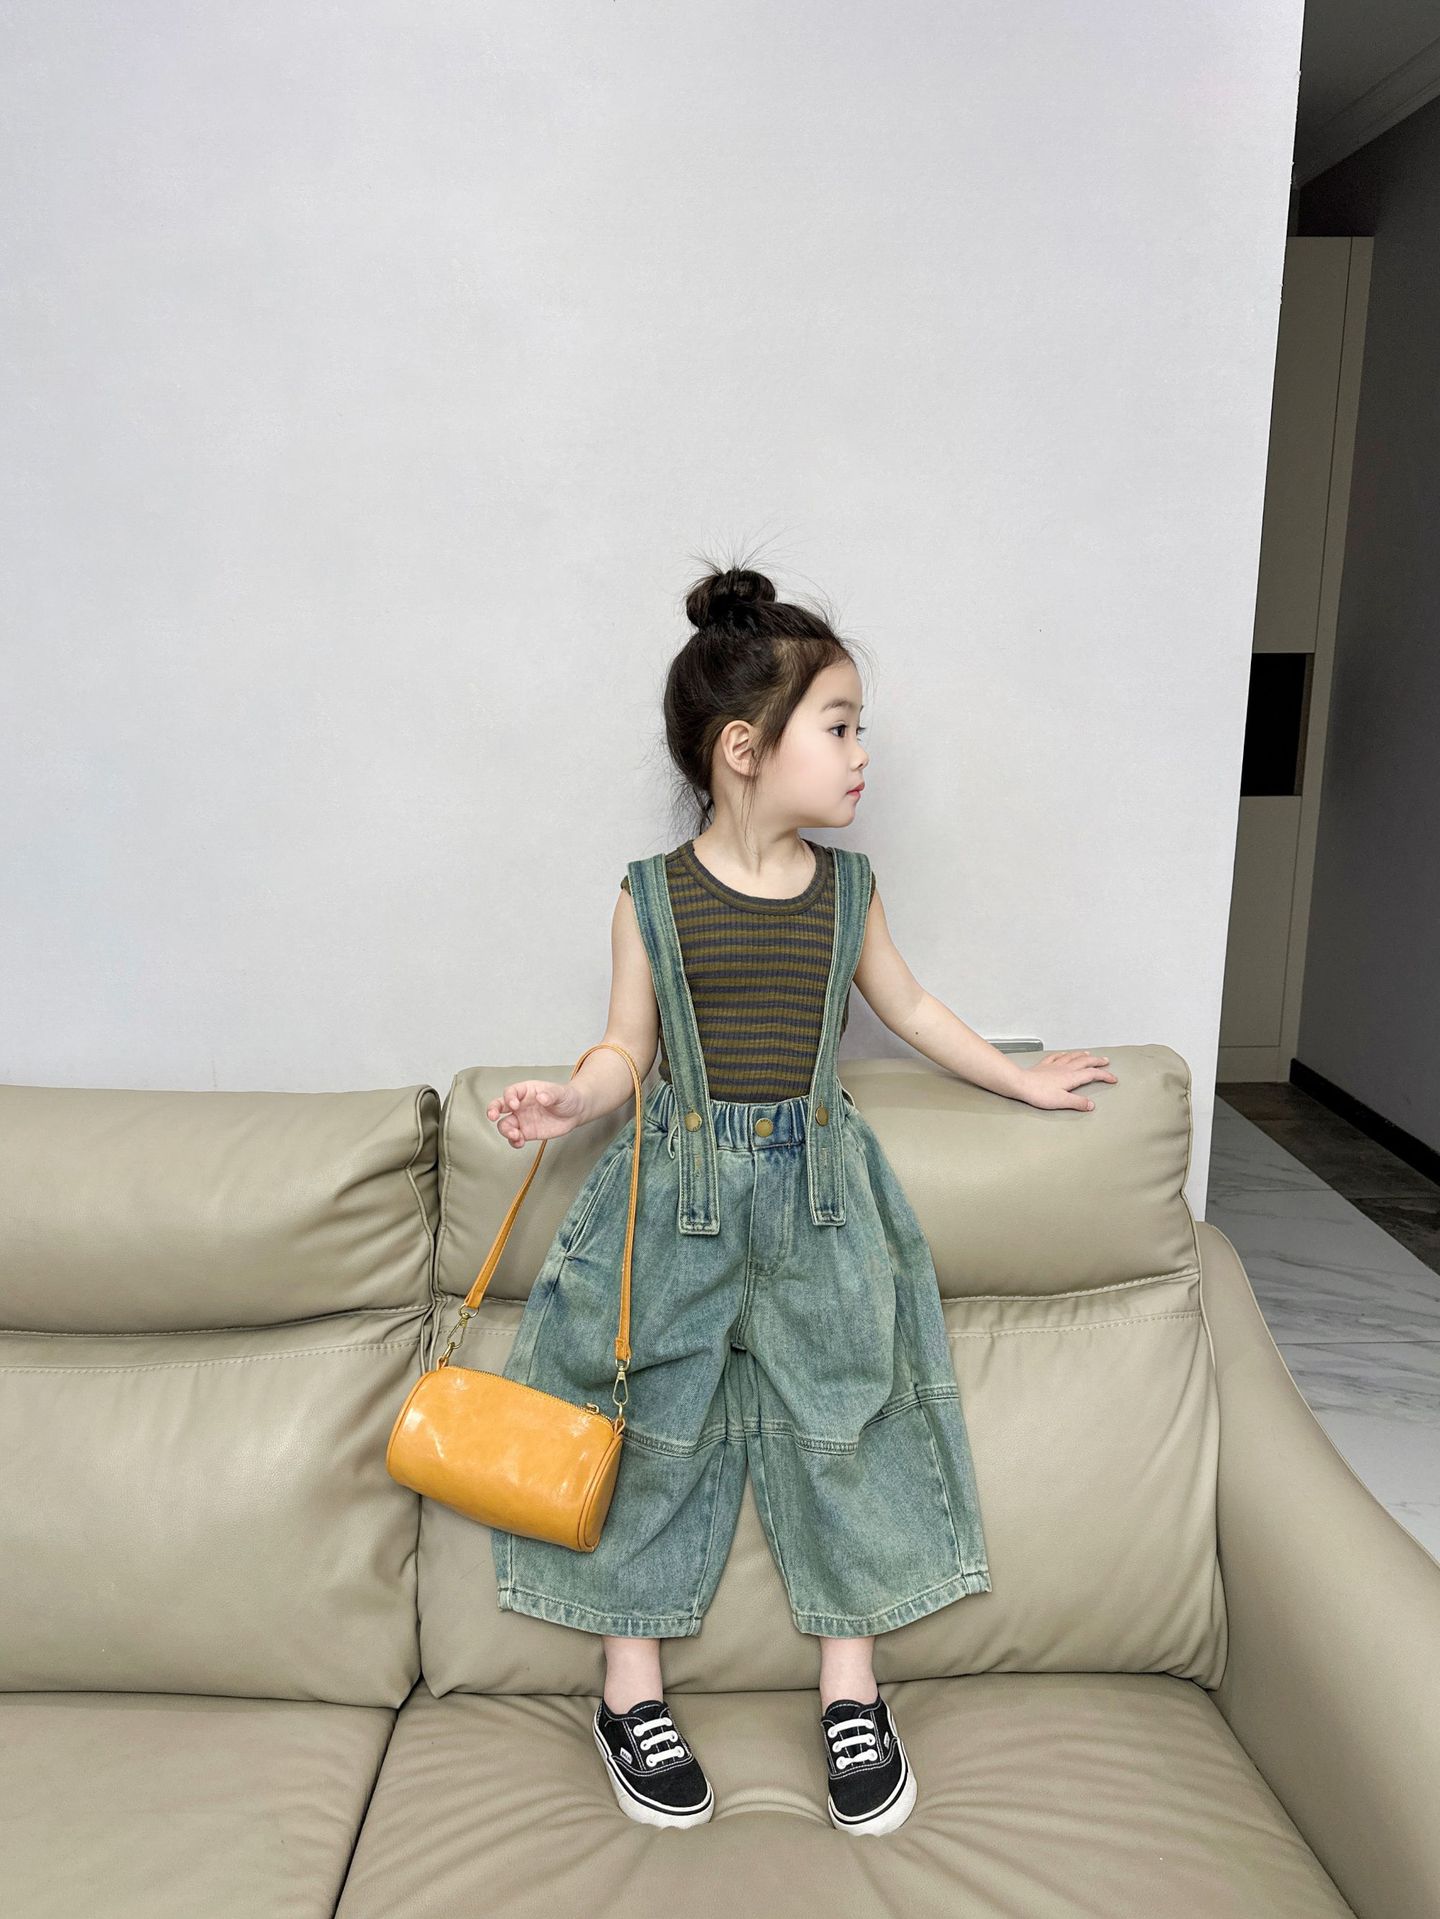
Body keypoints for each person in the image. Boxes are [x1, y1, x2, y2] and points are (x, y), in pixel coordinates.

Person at [484, 561, 1117, 1837]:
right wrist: (572, 1096)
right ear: (744, 749)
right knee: (647, 1422)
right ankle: (627, 1693)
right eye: (839, 725)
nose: (862, 752)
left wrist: (1020, 1075)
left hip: (822, 1197)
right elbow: (625, 1046)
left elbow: (913, 1009)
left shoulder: (848, 893)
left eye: (858, 726)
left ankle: (851, 1695)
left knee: (848, 1416)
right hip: (678, 1196)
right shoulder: (650, 896)